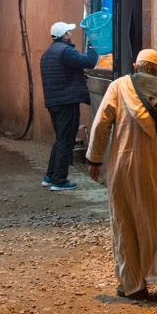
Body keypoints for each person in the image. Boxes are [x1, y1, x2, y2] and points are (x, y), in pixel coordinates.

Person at [87, 48, 157, 300]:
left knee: (125, 221)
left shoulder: (118, 87)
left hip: (124, 166)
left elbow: (101, 123)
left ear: (134, 65)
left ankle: (133, 284)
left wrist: (94, 159)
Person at [39, 21, 97, 191]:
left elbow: (63, 73)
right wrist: (93, 44)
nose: (71, 34)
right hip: (66, 102)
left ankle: (50, 175)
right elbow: (89, 61)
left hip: (54, 102)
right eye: (69, 32)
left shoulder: (48, 52)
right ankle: (59, 180)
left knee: (60, 139)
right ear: (64, 35)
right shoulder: (66, 51)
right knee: (66, 140)